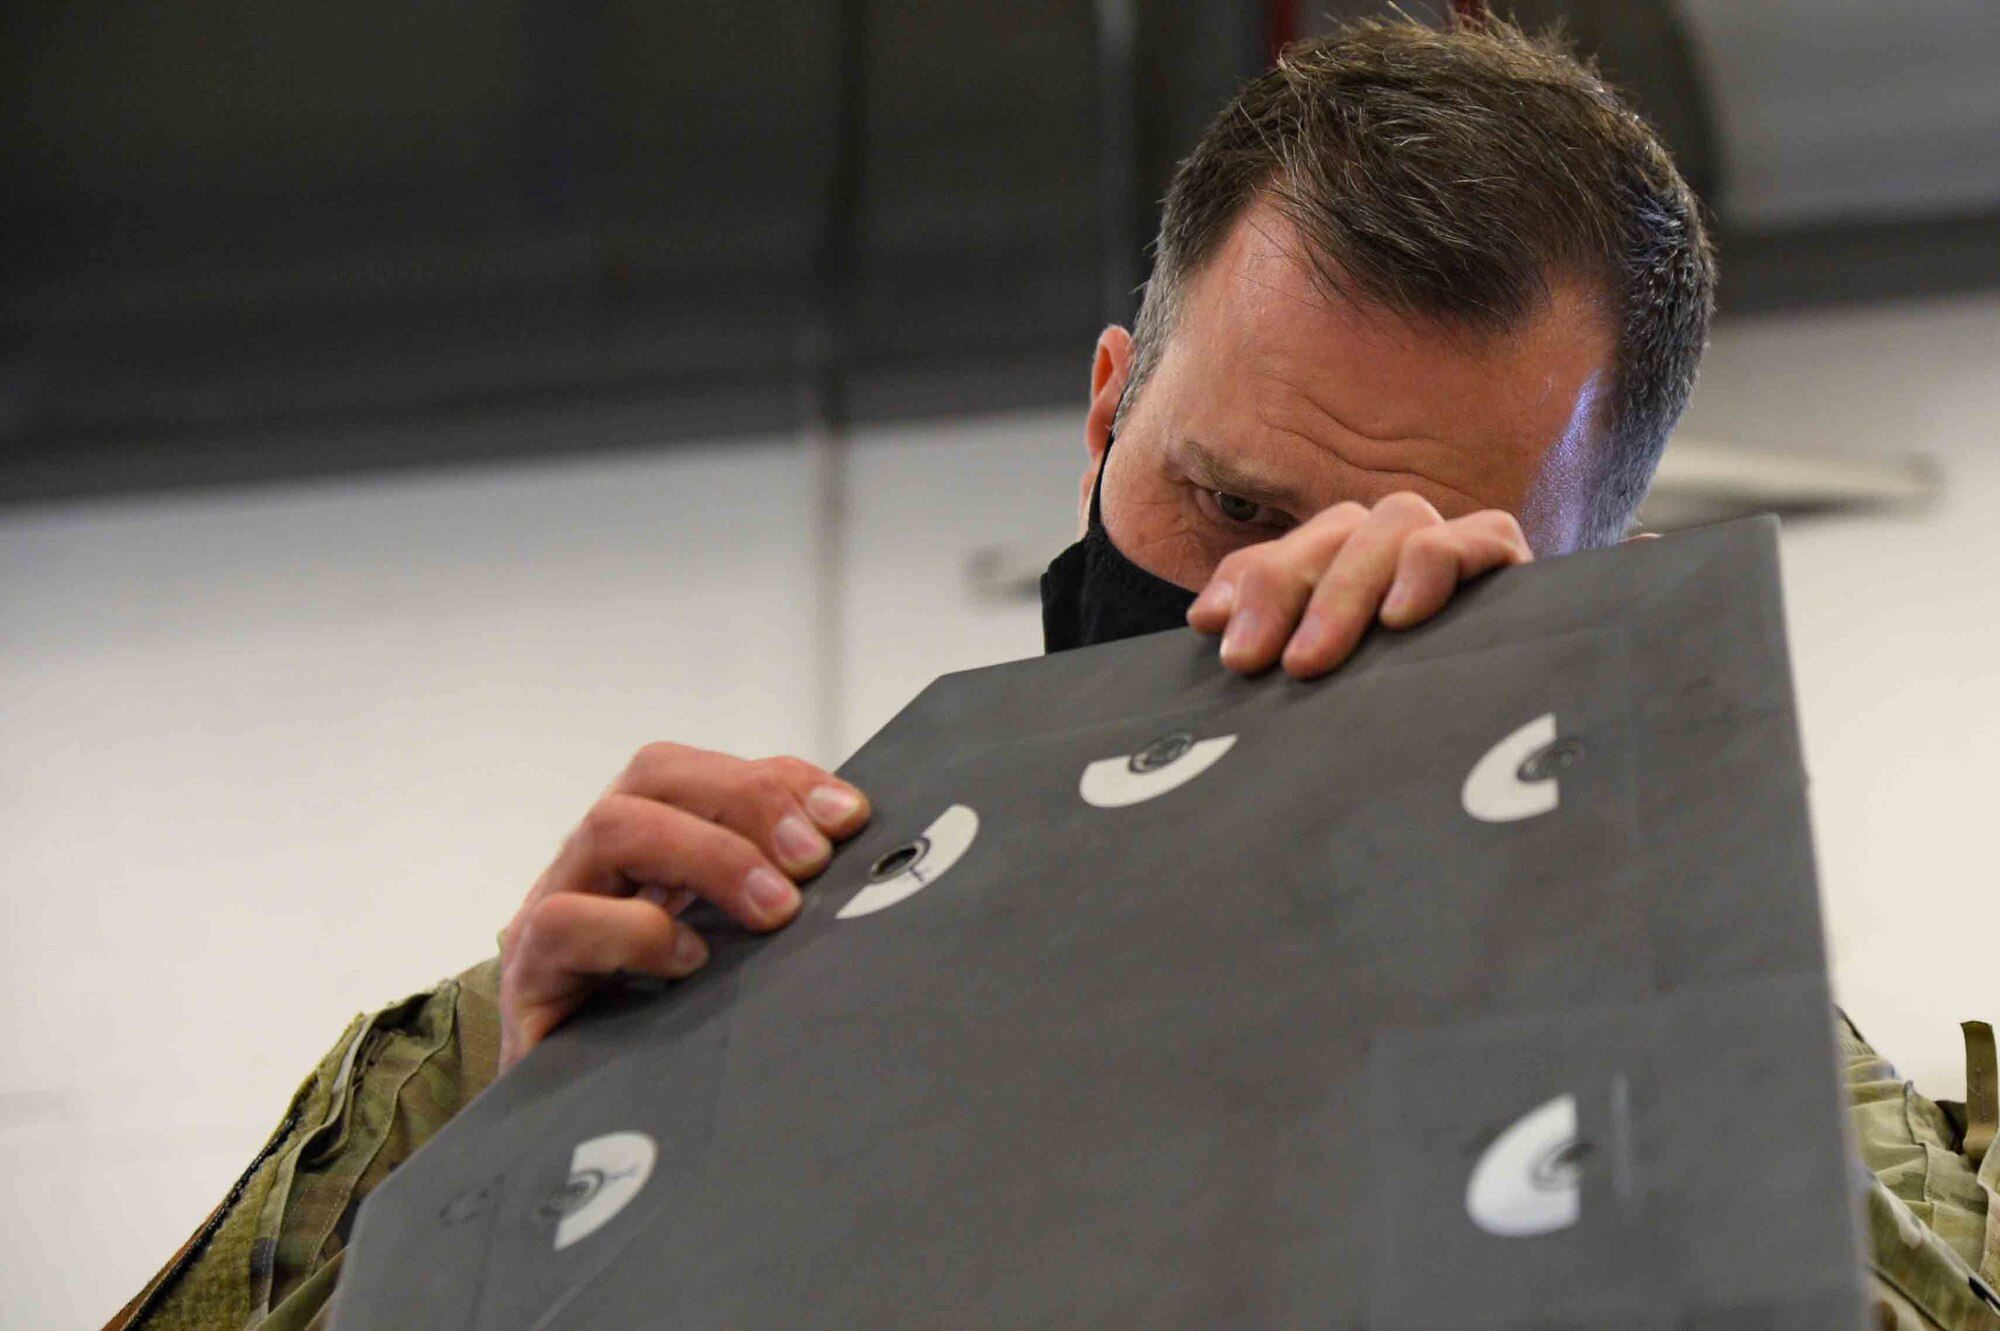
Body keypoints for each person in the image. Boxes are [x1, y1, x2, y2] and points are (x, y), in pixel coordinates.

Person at [105, 16, 1997, 1331]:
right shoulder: (612, 998)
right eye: (1222, 503)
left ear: (1608, 598)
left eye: (1419, 563)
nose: (1267, 614)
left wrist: (1607, 948)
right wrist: (516, 1197)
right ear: (1107, 412)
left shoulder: (1736, 1069)